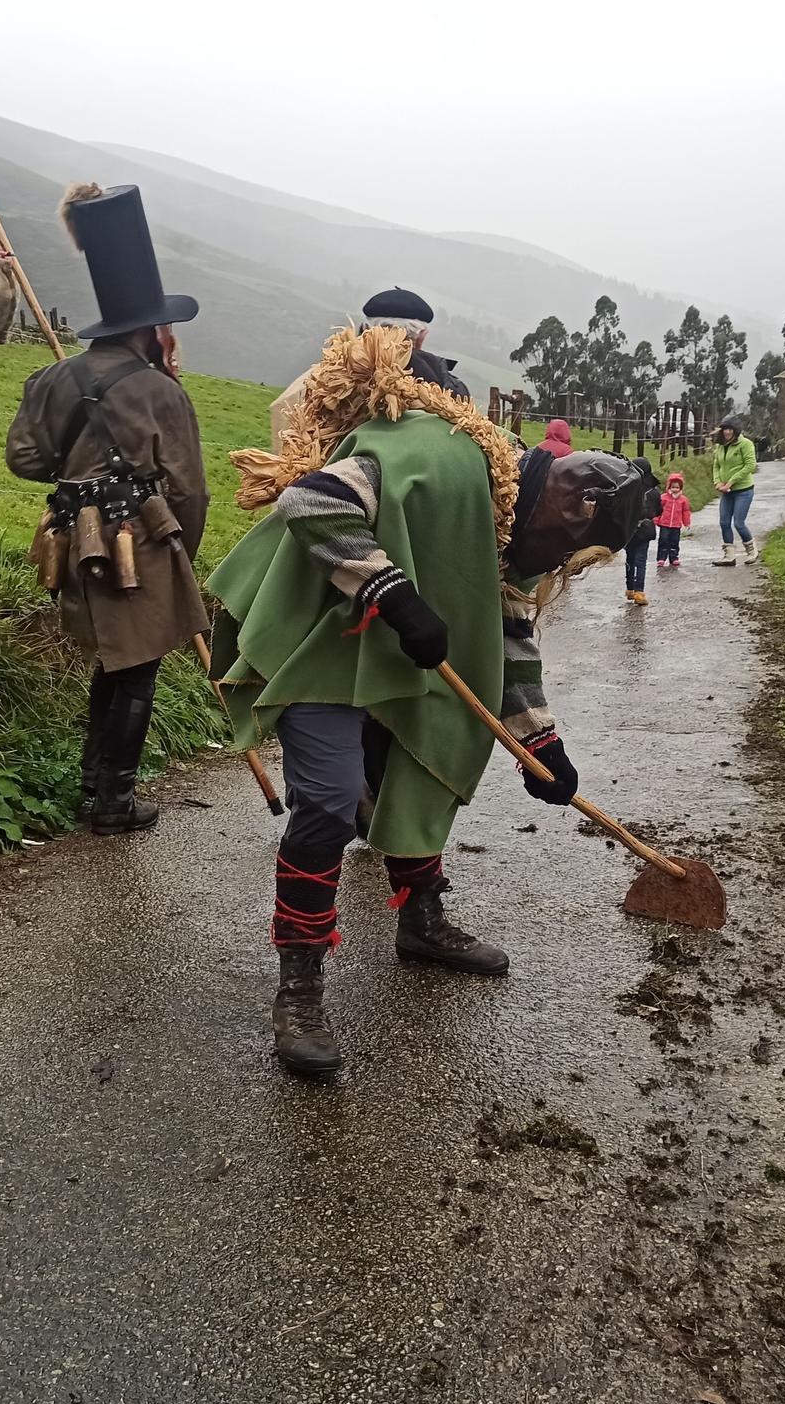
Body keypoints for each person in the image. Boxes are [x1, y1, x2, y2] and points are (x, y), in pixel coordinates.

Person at [210, 326, 649, 1080]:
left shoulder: (513, 521)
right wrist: (391, 592)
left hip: (400, 657)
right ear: (573, 503)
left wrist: (541, 745)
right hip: (326, 641)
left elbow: (504, 631)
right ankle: (300, 985)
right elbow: (310, 501)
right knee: (327, 800)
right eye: (568, 553)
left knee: (437, 752)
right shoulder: (440, 457)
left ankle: (421, 917)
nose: (554, 568)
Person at [6, 184, 207, 835]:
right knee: (137, 671)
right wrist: (181, 555)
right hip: (138, 547)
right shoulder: (162, 393)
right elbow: (190, 493)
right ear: (151, 332)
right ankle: (113, 802)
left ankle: (97, 787)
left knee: (113, 665)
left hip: (75, 541)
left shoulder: (53, 379)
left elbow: (26, 462)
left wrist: (75, 449)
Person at [268, 286, 468, 446]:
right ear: (422, 337)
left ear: (364, 330)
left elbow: (283, 415)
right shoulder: (448, 390)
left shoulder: (322, 379)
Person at [710, 415, 759, 565]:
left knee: (739, 523)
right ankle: (729, 555)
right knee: (724, 522)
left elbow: (750, 465)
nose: (727, 432)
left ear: (736, 430)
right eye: (725, 429)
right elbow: (717, 465)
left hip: (743, 490)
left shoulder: (745, 444)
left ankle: (751, 550)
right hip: (726, 491)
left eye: (730, 429)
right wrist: (718, 482)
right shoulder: (720, 446)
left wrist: (731, 482)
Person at [621, 455, 659, 605]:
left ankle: (629, 589)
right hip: (646, 529)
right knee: (640, 561)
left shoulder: (626, 489)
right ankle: (639, 592)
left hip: (629, 530)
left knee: (629, 559)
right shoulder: (654, 491)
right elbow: (659, 510)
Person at [655, 470, 693, 570]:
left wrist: (686, 522)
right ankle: (661, 558)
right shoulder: (664, 498)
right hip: (665, 524)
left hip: (676, 525)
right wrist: (656, 519)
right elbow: (658, 509)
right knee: (663, 540)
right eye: (673, 487)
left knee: (674, 542)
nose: (675, 489)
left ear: (680, 488)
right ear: (669, 487)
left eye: (677, 487)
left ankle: (674, 557)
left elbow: (686, 511)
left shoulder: (683, 500)